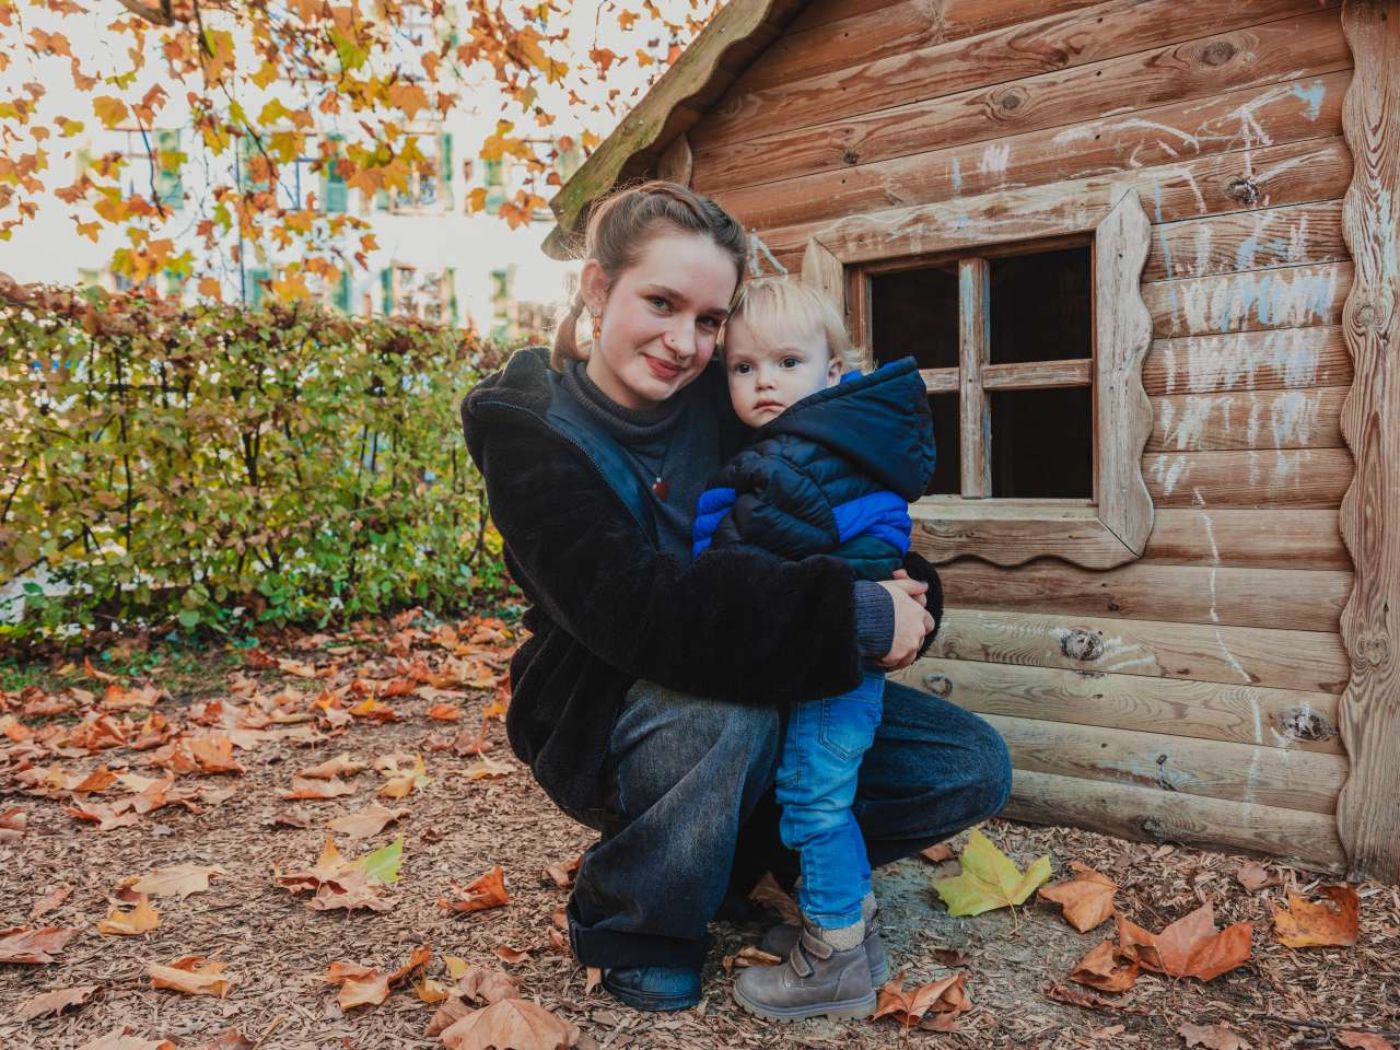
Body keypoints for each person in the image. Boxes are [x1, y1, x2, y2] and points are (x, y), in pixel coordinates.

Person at [459, 180, 1011, 1013]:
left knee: (966, 764)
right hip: (609, 702)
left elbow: (827, 516)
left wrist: (907, 595)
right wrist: (856, 616)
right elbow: (640, 610)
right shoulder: (534, 434)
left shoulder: (728, 397)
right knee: (726, 712)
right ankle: (637, 920)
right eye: (661, 303)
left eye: (710, 320)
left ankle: (735, 859)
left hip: (765, 669)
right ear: (598, 288)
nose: (685, 342)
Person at [691, 278, 935, 1021]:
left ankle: (834, 957)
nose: (763, 381)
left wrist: (704, 561)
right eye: (743, 367)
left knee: (813, 799)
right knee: (824, 794)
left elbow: (738, 568)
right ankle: (857, 932)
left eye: (787, 362)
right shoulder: (831, 441)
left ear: (833, 371)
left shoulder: (797, 459)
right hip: (838, 653)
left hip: (835, 668)